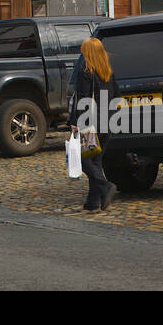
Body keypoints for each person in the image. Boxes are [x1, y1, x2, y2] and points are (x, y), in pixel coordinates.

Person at [69, 36, 119, 212]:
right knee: (96, 160)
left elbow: (82, 100)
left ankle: (105, 186)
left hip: (90, 122)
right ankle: (93, 202)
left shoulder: (85, 72)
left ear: (88, 52)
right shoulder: (108, 72)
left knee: (84, 160)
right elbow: (117, 96)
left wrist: (75, 122)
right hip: (109, 122)